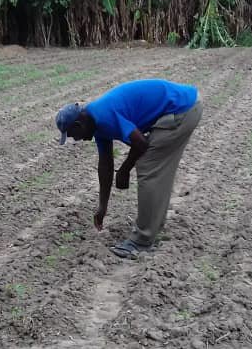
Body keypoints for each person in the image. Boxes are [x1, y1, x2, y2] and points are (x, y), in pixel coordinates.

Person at [56, 79, 203, 259]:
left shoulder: (104, 116)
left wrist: (125, 170)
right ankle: (154, 226)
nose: (76, 140)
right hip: (185, 106)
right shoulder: (95, 123)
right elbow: (105, 165)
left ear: (79, 126)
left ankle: (141, 241)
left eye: (73, 135)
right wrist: (102, 207)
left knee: (149, 167)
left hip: (182, 109)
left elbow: (141, 142)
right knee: (157, 170)